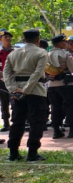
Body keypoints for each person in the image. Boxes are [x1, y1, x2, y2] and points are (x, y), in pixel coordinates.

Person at [3, 29, 48, 161]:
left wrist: (13, 89)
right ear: (38, 39)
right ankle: (32, 153)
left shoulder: (13, 54)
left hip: (17, 92)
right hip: (36, 92)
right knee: (36, 122)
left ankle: (13, 152)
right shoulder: (41, 52)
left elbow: (7, 73)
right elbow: (37, 73)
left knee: (17, 122)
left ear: (24, 39)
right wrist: (26, 90)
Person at [46, 35, 73, 139]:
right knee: (71, 106)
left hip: (51, 85)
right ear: (60, 43)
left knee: (55, 107)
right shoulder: (65, 54)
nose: (66, 44)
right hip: (65, 84)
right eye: (64, 42)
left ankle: (56, 131)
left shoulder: (47, 54)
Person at [0, 29, 15, 133]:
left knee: (15, 102)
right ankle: (6, 123)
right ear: (1, 39)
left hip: (14, 80)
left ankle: (16, 122)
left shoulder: (16, 51)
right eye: (5, 37)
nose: (8, 38)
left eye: (9, 37)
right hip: (1, 80)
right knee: (4, 103)